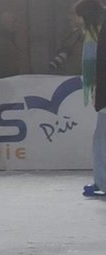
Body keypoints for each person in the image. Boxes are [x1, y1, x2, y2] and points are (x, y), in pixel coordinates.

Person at [77, 0, 106, 197]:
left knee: (101, 139)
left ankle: (102, 180)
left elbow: (95, 63)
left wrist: (97, 89)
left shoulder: (94, 34)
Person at [0, 11, 28, 78]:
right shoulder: (0, 40)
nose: (15, 24)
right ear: (5, 23)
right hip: (6, 77)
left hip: (15, 74)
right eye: (13, 21)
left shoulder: (14, 37)